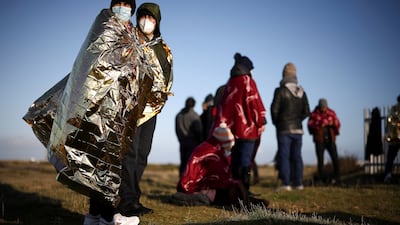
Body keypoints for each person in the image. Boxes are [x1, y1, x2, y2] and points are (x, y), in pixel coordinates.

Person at [117, 2, 173, 220]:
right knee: (129, 153)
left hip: (152, 109)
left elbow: (167, 73)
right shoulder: (130, 38)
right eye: (143, 16)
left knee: (142, 154)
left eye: (151, 18)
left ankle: (133, 199)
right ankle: (126, 202)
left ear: (157, 22)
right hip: (132, 105)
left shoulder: (163, 47)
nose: (146, 21)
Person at [174, 123, 269, 208]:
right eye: (229, 146)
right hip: (196, 188)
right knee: (232, 189)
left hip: (197, 186)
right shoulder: (213, 154)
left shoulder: (210, 146)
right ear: (224, 142)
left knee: (235, 188)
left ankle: (247, 201)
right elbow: (219, 177)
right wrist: (235, 184)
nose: (230, 149)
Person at [212, 53, 266, 192]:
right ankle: (244, 192)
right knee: (245, 162)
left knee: (234, 162)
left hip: (231, 131)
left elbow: (223, 107)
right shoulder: (248, 81)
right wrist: (261, 121)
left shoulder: (230, 83)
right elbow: (255, 103)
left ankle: (234, 192)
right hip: (249, 130)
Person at [270, 62, 310, 191]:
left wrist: (279, 122)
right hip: (298, 129)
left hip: (284, 129)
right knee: (297, 156)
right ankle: (298, 183)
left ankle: (286, 183)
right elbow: (307, 111)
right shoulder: (302, 92)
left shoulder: (280, 91)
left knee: (284, 156)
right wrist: (297, 120)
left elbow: (274, 110)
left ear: (284, 74)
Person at [307, 98, 341, 183]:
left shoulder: (331, 113)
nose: (323, 108)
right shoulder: (314, 114)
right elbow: (310, 126)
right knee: (320, 160)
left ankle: (337, 178)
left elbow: (337, 123)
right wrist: (320, 125)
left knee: (335, 159)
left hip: (331, 140)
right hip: (319, 140)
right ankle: (321, 179)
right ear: (319, 106)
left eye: (325, 107)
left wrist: (332, 124)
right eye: (322, 107)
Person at [175, 97, 203, 177]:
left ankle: (181, 180)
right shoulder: (194, 116)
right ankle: (187, 182)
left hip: (182, 142)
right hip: (193, 142)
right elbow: (198, 130)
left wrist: (180, 139)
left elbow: (177, 130)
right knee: (190, 163)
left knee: (183, 163)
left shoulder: (179, 115)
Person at [383, 95, 400, 183]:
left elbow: (388, 122)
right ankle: (388, 175)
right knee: (390, 157)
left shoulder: (393, 109)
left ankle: (388, 174)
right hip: (395, 137)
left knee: (390, 157)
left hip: (394, 137)